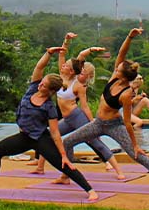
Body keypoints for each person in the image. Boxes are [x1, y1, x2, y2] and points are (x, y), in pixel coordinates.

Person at [0, 47, 99, 201]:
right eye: (41, 82)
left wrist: (63, 155)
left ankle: (90, 190)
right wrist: (48, 54)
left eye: (44, 84)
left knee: (63, 165)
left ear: (50, 90)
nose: (40, 84)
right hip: (24, 137)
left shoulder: (49, 107)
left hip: (41, 139)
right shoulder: (32, 89)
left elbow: (55, 132)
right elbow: (39, 67)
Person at [59, 28, 149, 192]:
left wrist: (135, 144)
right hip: (98, 123)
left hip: (114, 125)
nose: (116, 68)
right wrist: (129, 37)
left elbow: (127, 122)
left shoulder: (126, 94)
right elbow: (122, 53)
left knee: (135, 154)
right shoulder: (114, 78)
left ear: (124, 76)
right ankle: (66, 176)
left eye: (118, 69)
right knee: (68, 142)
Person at [36, 33, 126, 179]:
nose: (63, 65)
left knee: (93, 141)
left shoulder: (78, 86)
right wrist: (66, 40)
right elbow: (63, 54)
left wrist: (93, 123)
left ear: (71, 71)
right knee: (49, 136)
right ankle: (41, 168)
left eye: (66, 65)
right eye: (63, 65)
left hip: (77, 117)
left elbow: (84, 107)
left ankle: (118, 171)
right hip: (67, 120)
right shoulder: (61, 77)